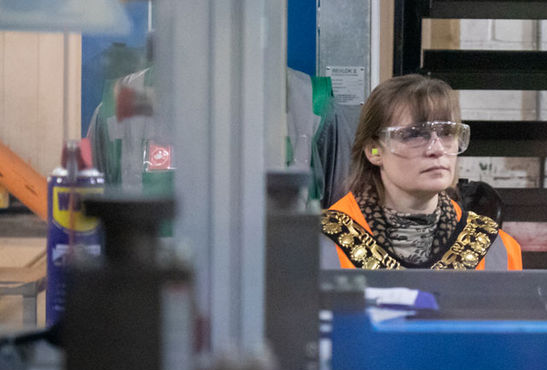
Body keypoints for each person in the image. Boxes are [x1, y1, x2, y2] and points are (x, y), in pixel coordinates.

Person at [322, 74, 522, 270]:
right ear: (374, 151)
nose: (436, 149)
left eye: (446, 133)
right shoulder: (319, 244)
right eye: (414, 134)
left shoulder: (498, 250)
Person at [89, 64, 349, 206]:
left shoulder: (312, 107)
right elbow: (87, 234)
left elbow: (344, 232)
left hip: (276, 296)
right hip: (152, 298)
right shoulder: (118, 110)